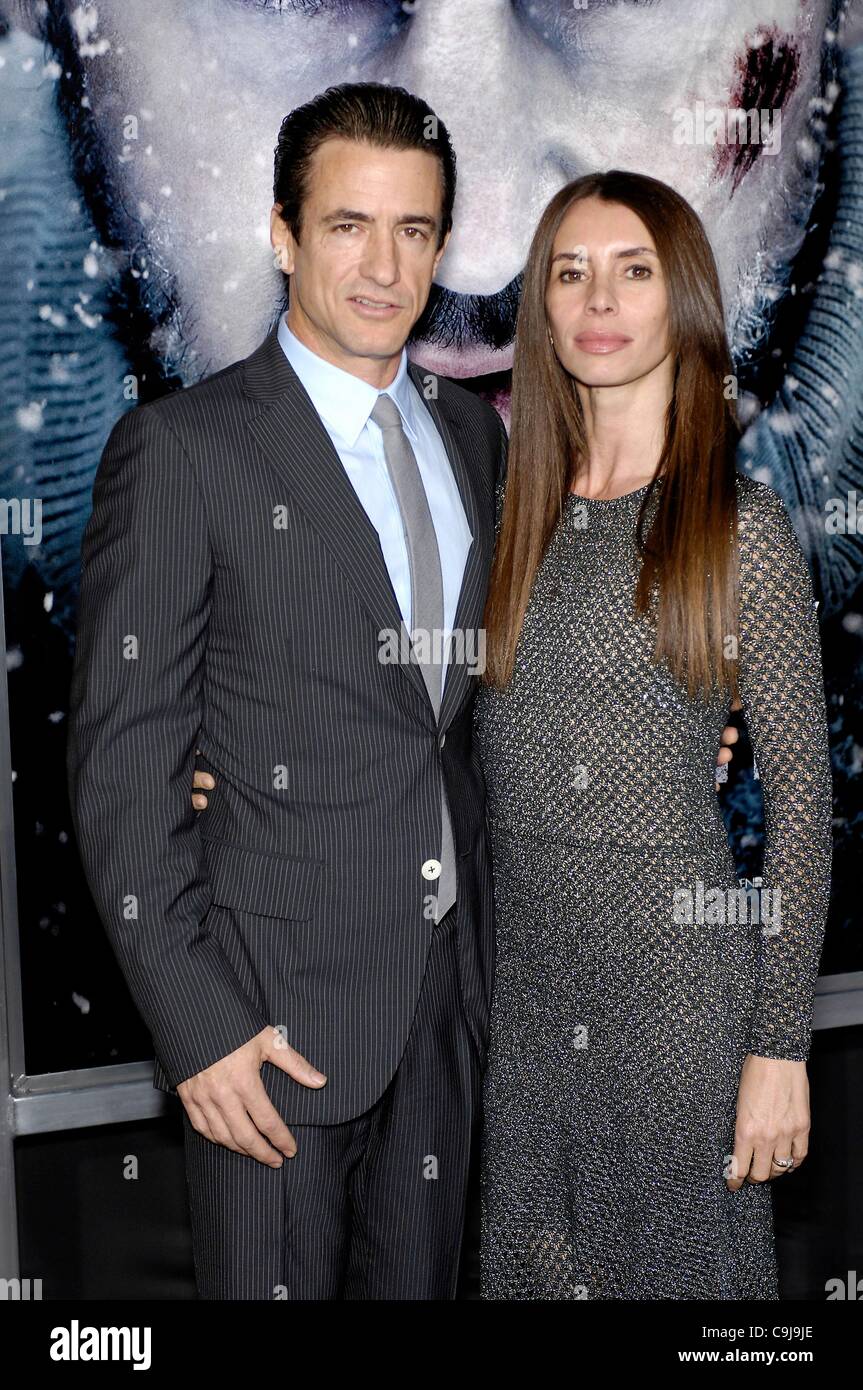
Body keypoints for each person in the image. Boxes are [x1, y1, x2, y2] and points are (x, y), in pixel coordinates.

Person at [67, 82, 508, 1301]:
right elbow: (120, 766)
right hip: (266, 1027)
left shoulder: (473, 436)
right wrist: (194, 1020)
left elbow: (472, 705)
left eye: (413, 230)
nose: (383, 265)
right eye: (347, 226)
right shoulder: (188, 449)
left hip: (443, 1009)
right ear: (282, 234)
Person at [473, 170, 834, 1300]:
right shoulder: (506, 513)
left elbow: (802, 819)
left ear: (680, 298)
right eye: (568, 271)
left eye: (632, 270)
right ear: (538, 305)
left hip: (678, 1005)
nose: (597, 297)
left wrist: (777, 1049)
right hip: (520, 1001)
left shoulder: (740, 530)